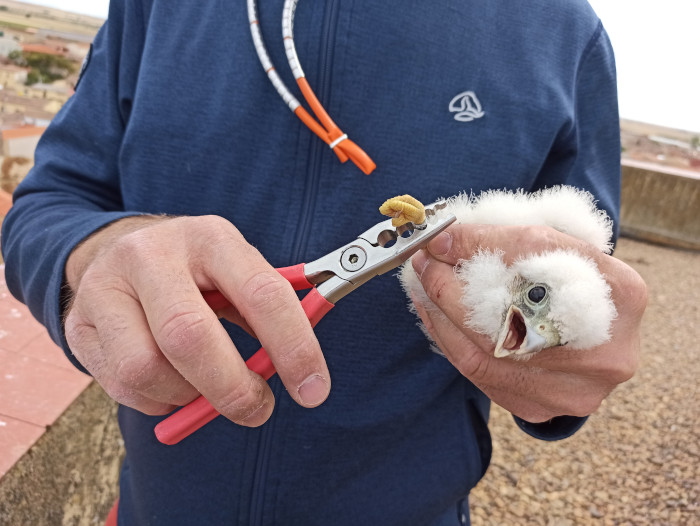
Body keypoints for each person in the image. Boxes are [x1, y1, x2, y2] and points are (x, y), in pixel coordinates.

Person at [1, 0, 647, 524]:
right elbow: (49, 205)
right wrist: (94, 257)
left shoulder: (565, 32)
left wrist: (566, 362)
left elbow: (584, 290)